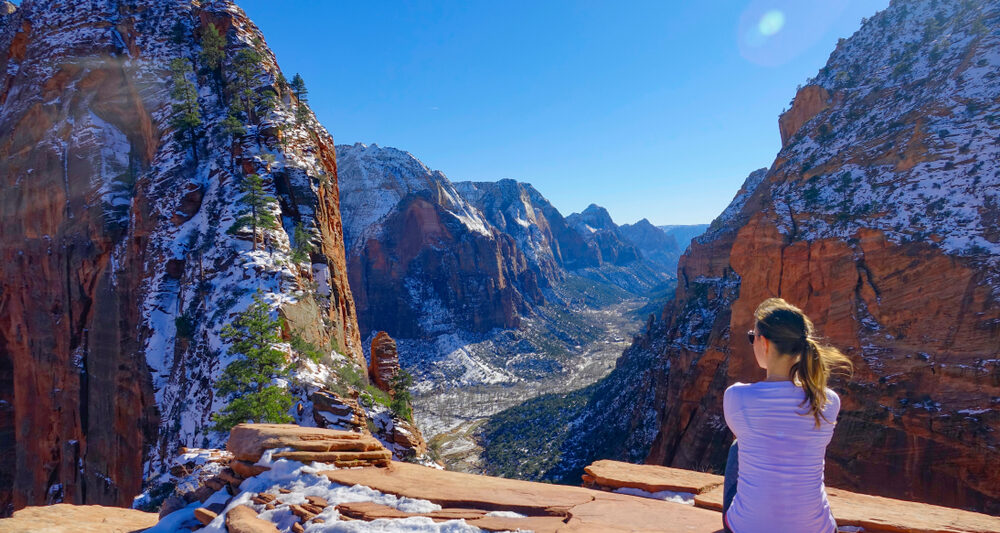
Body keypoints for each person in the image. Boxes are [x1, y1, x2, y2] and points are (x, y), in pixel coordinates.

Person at [721, 297, 853, 533]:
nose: (752, 343)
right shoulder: (828, 400)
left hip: (746, 528)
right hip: (816, 529)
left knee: (737, 446)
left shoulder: (736, 397)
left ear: (765, 344)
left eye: (753, 337)